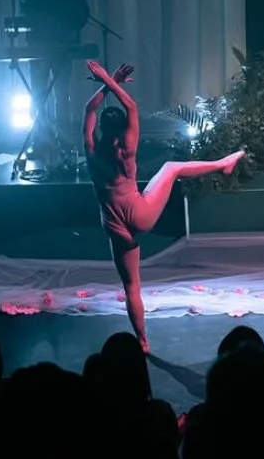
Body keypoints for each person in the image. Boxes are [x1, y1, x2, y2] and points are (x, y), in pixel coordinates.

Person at [83, 59, 244, 354]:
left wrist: (105, 84)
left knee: (132, 286)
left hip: (116, 227)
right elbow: (131, 107)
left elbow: (89, 111)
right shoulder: (127, 149)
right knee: (171, 168)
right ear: (121, 129)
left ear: (103, 131)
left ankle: (142, 341)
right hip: (140, 214)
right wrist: (110, 80)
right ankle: (222, 164)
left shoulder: (92, 151)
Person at [20, 0, 91, 158]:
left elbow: (82, 14)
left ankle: (64, 141)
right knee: (38, 94)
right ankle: (40, 141)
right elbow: (26, 10)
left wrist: (63, 23)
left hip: (63, 45)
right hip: (39, 45)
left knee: (62, 93)